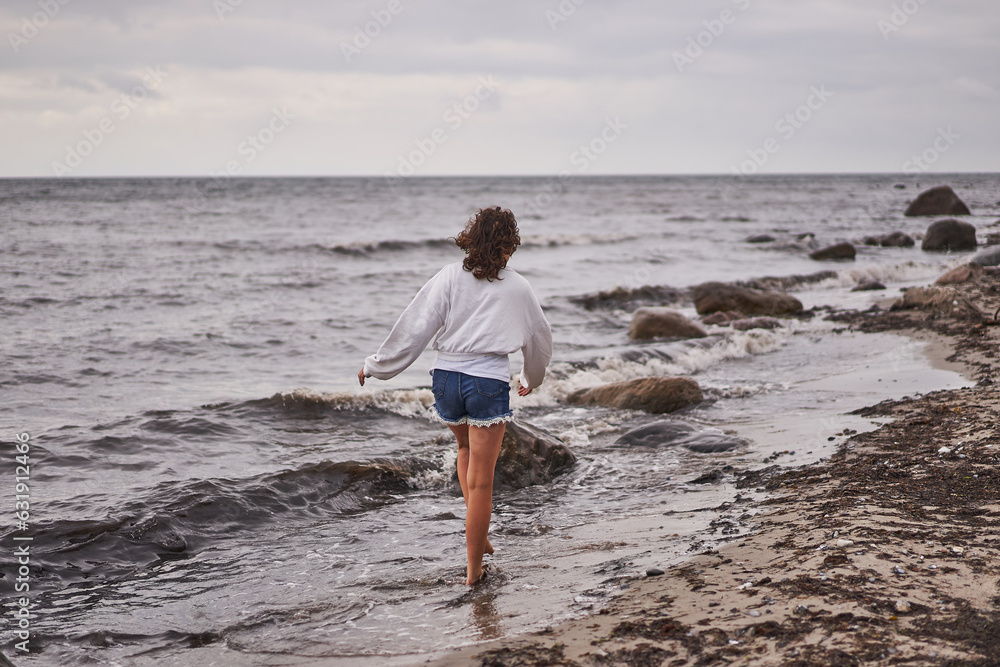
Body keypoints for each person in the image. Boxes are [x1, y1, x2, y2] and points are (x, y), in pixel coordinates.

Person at [358, 206, 552, 585]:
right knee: (482, 483)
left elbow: (414, 326)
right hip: (486, 382)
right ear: (508, 247)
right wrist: (532, 377)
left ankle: (477, 532)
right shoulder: (517, 287)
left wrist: (377, 366)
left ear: (471, 239)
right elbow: (540, 340)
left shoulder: (448, 277)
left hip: (445, 379)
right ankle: (473, 570)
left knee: (464, 452)